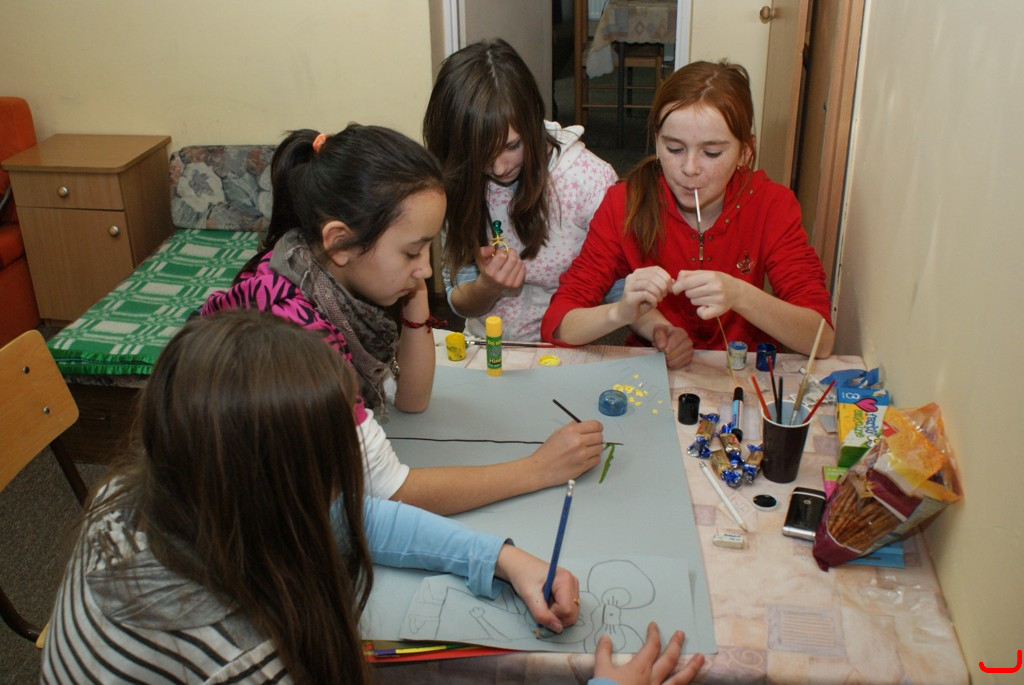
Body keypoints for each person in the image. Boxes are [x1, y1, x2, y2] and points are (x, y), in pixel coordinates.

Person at [40, 311, 703, 685]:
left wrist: (500, 558)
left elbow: (344, 517)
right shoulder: (241, 661)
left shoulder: (140, 491)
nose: (348, 480)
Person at [201, 124, 605, 515]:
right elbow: (393, 492)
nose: (425, 270)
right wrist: (538, 470)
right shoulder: (298, 339)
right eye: (412, 253)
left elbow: (412, 399)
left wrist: (415, 298)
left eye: (426, 250)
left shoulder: (329, 272)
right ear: (340, 242)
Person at [541, 60, 834, 368]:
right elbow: (558, 324)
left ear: (745, 153)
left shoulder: (771, 205)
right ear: (657, 142)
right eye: (674, 149)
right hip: (653, 372)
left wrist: (739, 295)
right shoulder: (624, 204)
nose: (690, 168)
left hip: (743, 375)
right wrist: (621, 313)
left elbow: (821, 339)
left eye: (712, 153)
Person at [423, 38, 620, 342]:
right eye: (480, 154)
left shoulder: (589, 180)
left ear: (532, 121)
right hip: (487, 347)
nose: (499, 167)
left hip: (567, 349)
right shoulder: (458, 178)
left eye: (512, 146)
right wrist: (487, 287)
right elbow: (458, 299)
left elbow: (621, 292)